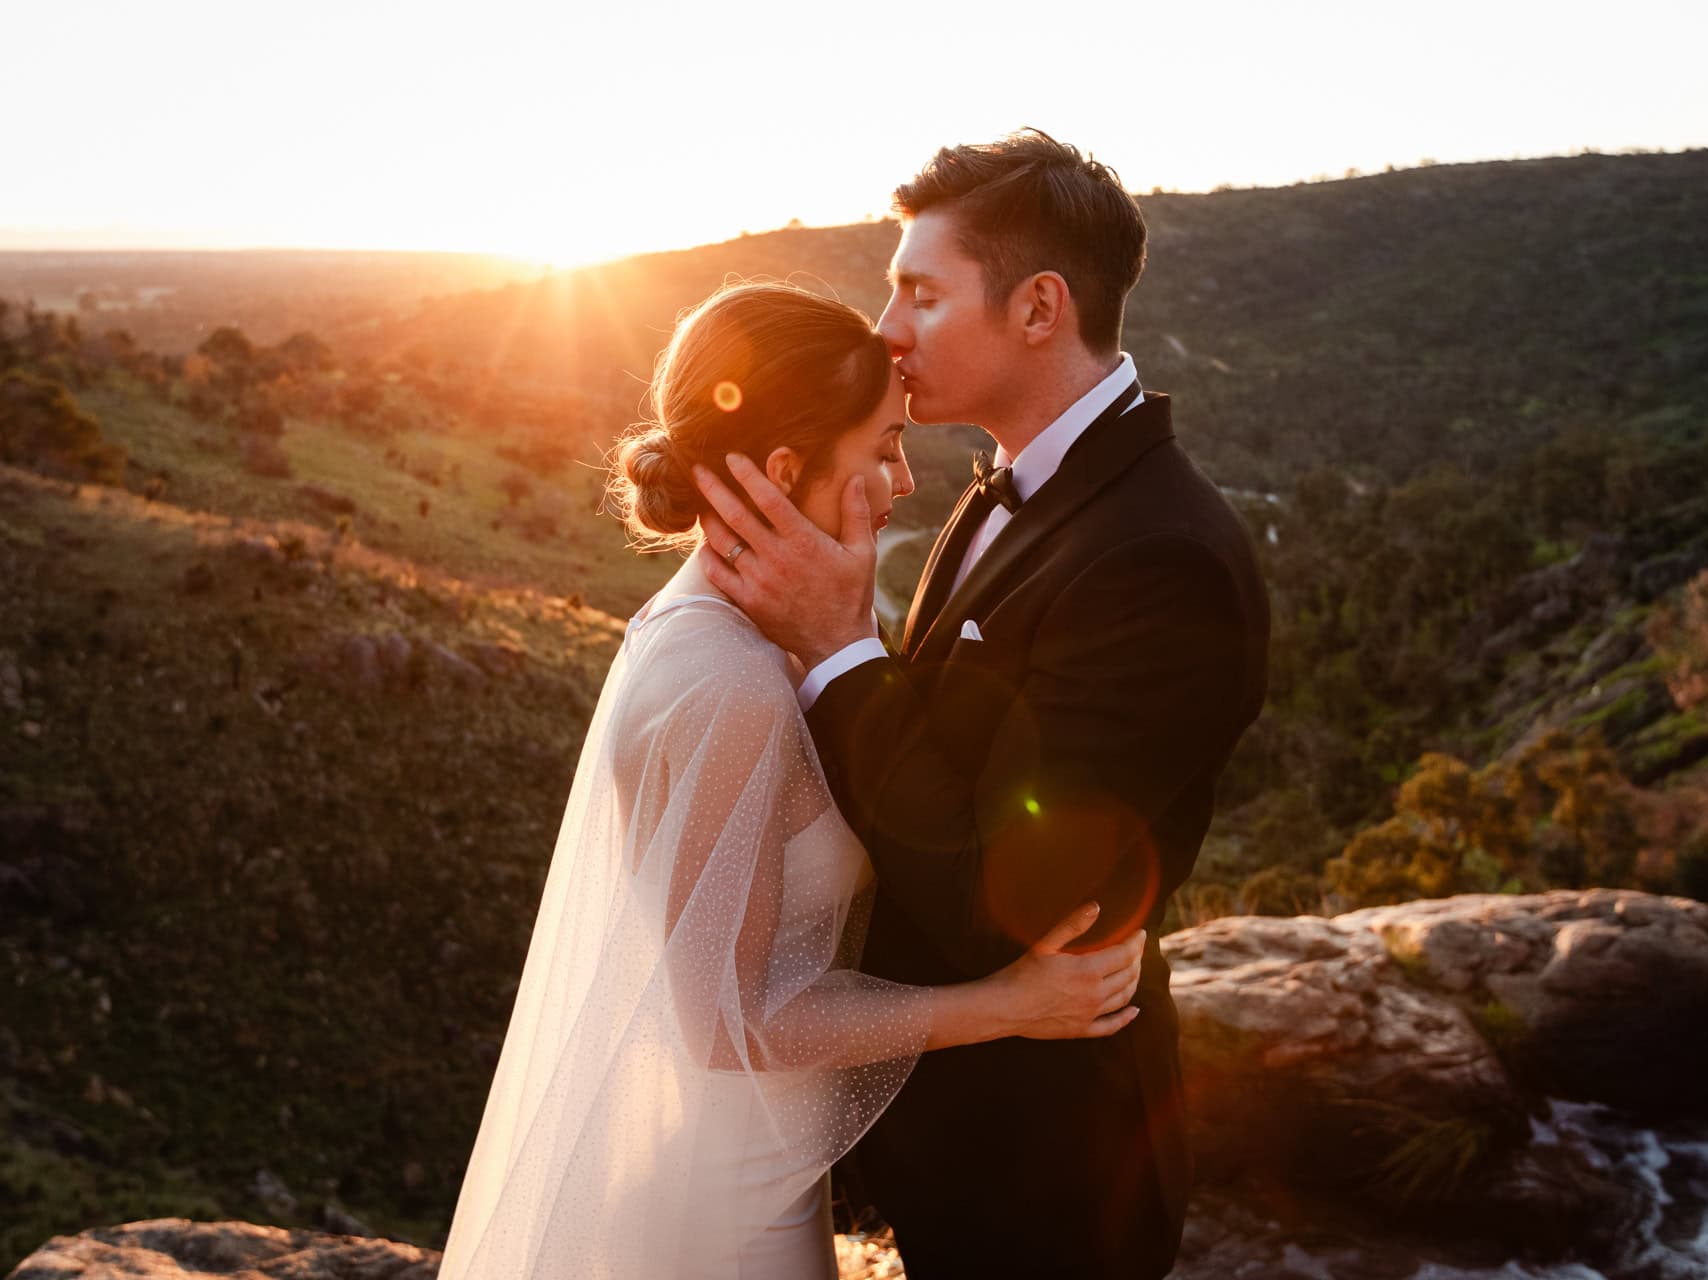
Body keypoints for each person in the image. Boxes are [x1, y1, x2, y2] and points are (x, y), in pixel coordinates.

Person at [434, 281, 1149, 1280]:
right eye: (881, 448)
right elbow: (739, 1018)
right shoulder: (731, 684)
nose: (904, 479)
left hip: (750, 1174)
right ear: (783, 469)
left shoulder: (724, 635)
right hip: (729, 1223)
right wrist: (1011, 1000)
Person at [693, 130, 1271, 1278]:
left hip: (1052, 1171)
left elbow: (1000, 896)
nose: (887, 327)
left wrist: (838, 644)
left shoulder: (1162, 559)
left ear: (1040, 308)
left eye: (919, 291)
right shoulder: (1004, 486)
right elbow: (946, 743)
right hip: (954, 1140)